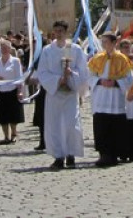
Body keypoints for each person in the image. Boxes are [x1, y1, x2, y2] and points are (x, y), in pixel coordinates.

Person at [37, 20, 89, 170]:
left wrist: (71, 74)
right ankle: (58, 156)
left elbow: (83, 71)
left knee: (71, 124)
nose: (58, 34)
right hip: (54, 93)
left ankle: (71, 154)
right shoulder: (47, 50)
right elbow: (42, 72)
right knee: (54, 125)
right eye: (56, 31)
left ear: (66, 32)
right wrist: (58, 80)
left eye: (61, 31)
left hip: (70, 93)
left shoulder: (75, 49)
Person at [86, 32, 133, 167]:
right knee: (101, 125)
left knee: (116, 126)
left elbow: (130, 79)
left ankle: (115, 153)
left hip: (115, 98)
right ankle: (104, 153)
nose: (104, 45)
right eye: (103, 42)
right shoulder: (97, 58)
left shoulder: (122, 59)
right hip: (101, 97)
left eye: (106, 42)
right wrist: (99, 81)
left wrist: (116, 83)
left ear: (114, 43)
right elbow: (89, 75)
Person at [0, 39, 24, 144]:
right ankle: (6, 136)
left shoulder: (15, 61)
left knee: (13, 115)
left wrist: (20, 91)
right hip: (1, 90)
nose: (4, 50)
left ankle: (14, 134)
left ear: (10, 49)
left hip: (12, 90)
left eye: (6, 48)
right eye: (2, 48)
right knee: (3, 116)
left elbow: (19, 77)